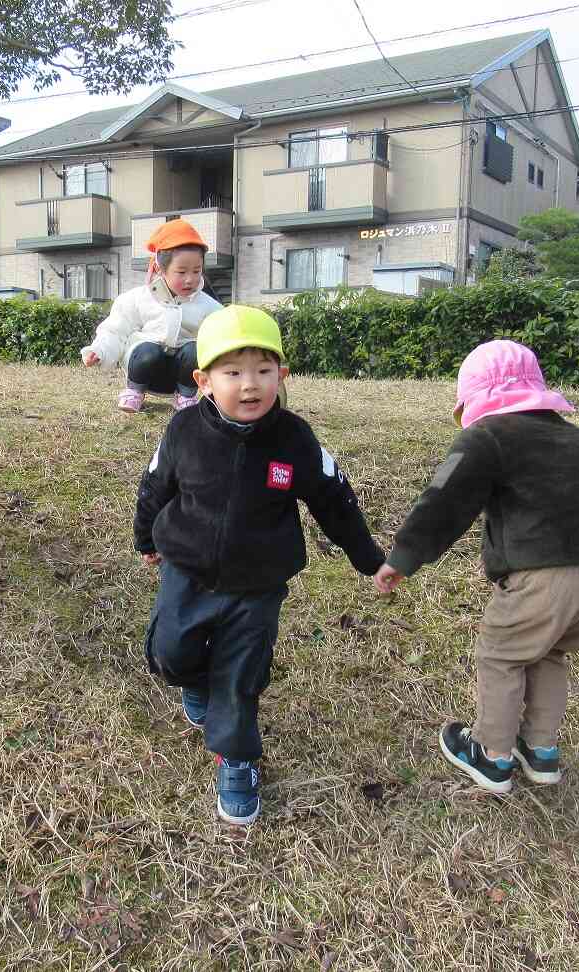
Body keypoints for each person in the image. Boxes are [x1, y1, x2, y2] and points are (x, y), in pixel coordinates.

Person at [374, 340, 579, 794]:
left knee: (501, 655)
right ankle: (540, 751)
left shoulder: (488, 436)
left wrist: (404, 556)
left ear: (474, 400)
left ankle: (492, 754)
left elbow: (445, 499)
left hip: (544, 578)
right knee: (550, 651)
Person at [135, 305, 385, 825]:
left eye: (263, 371)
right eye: (233, 373)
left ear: (282, 374)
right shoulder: (183, 431)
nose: (250, 386)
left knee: (241, 675)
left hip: (258, 583)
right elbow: (156, 483)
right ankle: (193, 682)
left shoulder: (295, 439)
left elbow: (335, 500)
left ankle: (237, 757)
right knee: (171, 653)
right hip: (187, 569)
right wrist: (146, 537)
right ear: (203, 381)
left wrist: (369, 559)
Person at [81, 218, 221, 413]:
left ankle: (186, 398)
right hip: (144, 368)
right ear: (160, 269)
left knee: (193, 350)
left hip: (182, 374)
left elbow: (224, 334)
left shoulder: (208, 305)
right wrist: (100, 351)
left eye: (196, 271)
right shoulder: (138, 299)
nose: (190, 279)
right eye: (181, 272)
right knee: (148, 350)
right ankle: (134, 392)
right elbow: (116, 329)